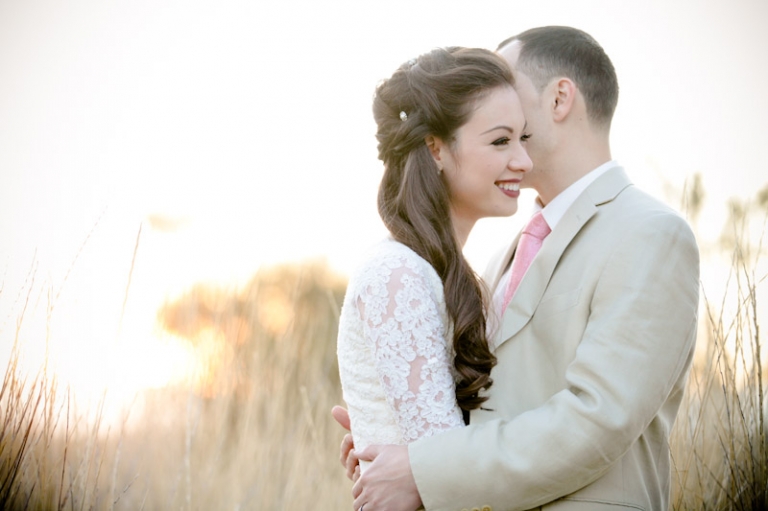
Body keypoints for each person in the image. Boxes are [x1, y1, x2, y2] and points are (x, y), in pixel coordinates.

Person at [341, 26, 700, 511]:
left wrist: (422, 469)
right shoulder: (499, 258)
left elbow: (599, 419)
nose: (496, 96)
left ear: (559, 99)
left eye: (506, 81)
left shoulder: (650, 234)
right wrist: (388, 438)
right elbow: (496, 405)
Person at [336, 46, 532, 483]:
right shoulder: (396, 274)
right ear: (435, 149)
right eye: (501, 141)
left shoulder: (438, 270)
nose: (524, 161)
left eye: (524, 138)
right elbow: (445, 466)